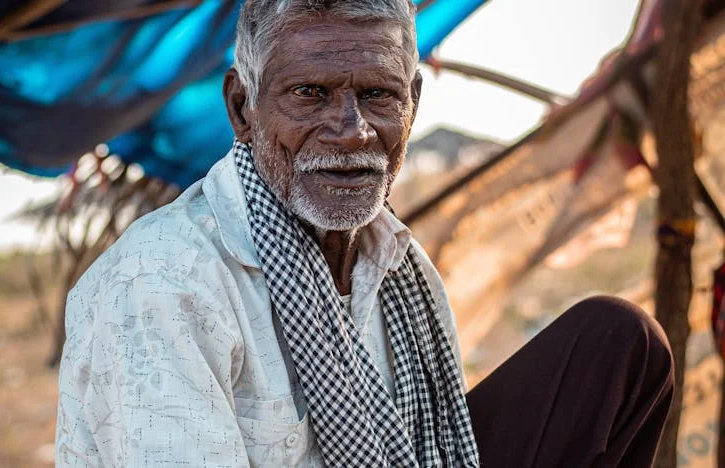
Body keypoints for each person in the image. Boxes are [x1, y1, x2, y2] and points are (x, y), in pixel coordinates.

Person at [55, 1, 674, 466]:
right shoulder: (161, 283)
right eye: (310, 94)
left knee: (620, 343)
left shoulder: (397, 263)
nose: (351, 129)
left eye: (377, 95)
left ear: (413, 105)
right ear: (243, 109)